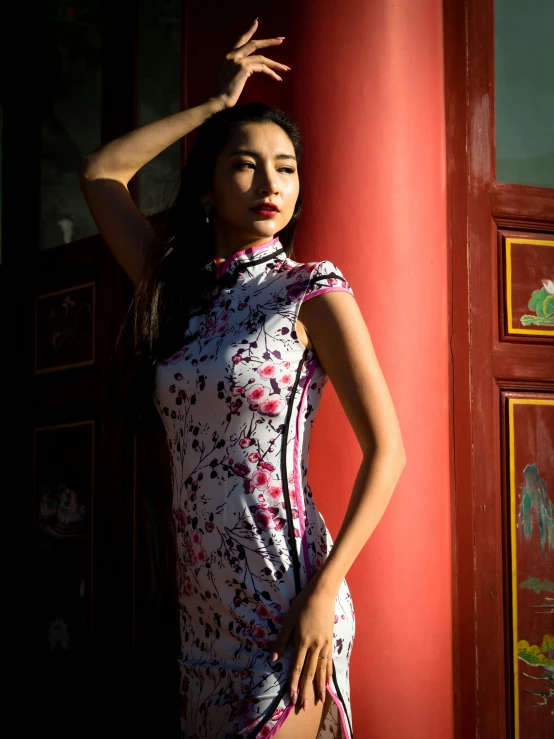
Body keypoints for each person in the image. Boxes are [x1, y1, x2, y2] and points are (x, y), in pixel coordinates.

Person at [79, 17, 406, 739]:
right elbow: (101, 174)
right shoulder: (177, 290)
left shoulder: (309, 290)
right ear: (206, 188)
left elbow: (389, 450)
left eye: (286, 166)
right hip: (203, 623)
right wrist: (213, 107)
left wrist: (324, 593)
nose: (270, 183)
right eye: (245, 162)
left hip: (286, 605)